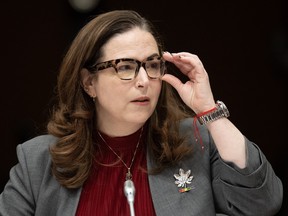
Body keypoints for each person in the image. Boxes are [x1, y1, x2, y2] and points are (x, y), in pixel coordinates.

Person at [0, 9, 283, 216]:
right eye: (124, 67)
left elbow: (262, 203)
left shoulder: (196, 139)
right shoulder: (37, 160)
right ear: (89, 82)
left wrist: (209, 110)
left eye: (152, 64)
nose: (144, 80)